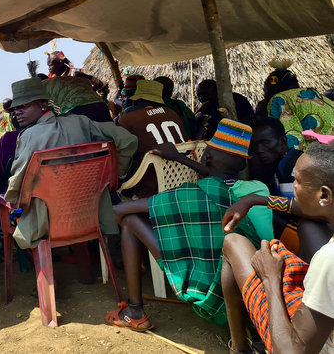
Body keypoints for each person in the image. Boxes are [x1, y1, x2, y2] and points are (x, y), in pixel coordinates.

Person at [108, 119, 273, 330]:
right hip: (255, 295)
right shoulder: (259, 190)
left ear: (207, 157)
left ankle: (135, 311)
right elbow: (218, 182)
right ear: (242, 164)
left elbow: (118, 212)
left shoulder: (188, 195)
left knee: (131, 220)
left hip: (214, 301)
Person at [221, 142, 334, 354]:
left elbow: (290, 352)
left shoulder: (329, 259)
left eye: (298, 181)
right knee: (308, 225)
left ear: (324, 195)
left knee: (233, 243)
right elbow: (304, 208)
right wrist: (254, 199)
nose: (293, 186)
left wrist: (270, 278)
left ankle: (239, 348)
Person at [4, 78, 138, 250]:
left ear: (43, 104)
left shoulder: (28, 137)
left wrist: (13, 211)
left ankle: (21, 251)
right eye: (15, 108)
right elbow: (127, 141)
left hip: (47, 223)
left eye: (23, 106)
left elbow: (17, 190)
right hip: (91, 213)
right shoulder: (81, 122)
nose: (17, 113)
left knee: (10, 210)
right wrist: (116, 179)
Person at [117, 79, 189, 197]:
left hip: (151, 181)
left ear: (139, 99)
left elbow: (123, 152)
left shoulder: (127, 119)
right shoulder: (171, 112)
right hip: (181, 174)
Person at [262, 60, 334, 150]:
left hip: (323, 154)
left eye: (265, 88)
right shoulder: (312, 93)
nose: (264, 93)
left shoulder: (280, 99)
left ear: (273, 87)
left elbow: (293, 137)